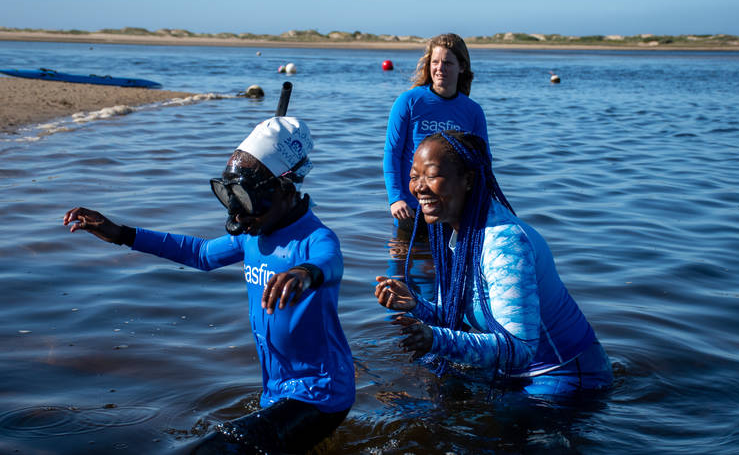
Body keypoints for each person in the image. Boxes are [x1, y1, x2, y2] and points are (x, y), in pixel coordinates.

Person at [63, 117, 354, 453]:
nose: (238, 216)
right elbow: (200, 253)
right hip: (278, 392)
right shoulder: (252, 235)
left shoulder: (314, 239)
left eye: (247, 201)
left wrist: (305, 273)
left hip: (320, 392)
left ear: (285, 191)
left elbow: (329, 263)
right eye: (230, 197)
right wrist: (121, 234)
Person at [374, 130, 613, 397]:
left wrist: (436, 339)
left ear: (467, 179)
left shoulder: (505, 243)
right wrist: (416, 306)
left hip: (564, 376)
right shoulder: (452, 234)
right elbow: (459, 315)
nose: (419, 187)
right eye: (414, 177)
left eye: (431, 175)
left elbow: (520, 348)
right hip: (510, 372)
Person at [383, 33, 489, 231]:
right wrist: (395, 199)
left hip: (454, 211)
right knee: (405, 259)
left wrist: (482, 201)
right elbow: (392, 153)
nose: (440, 69)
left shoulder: (473, 111)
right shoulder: (408, 102)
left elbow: (483, 163)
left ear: (462, 67)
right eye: (435, 62)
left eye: (447, 63)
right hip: (412, 208)